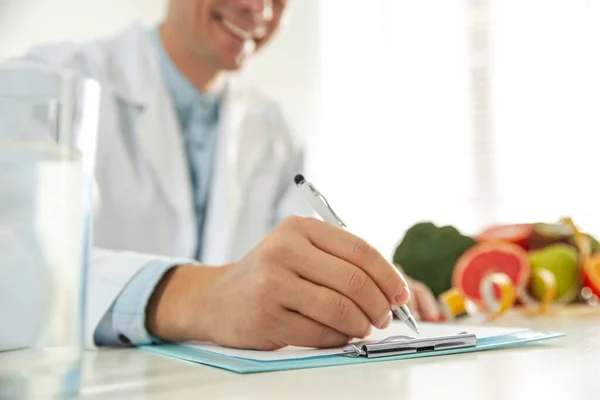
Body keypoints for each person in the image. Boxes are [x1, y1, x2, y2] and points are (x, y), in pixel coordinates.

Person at [18, 0, 442, 350]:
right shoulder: (46, 84)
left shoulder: (271, 128)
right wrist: (200, 298)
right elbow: (15, 268)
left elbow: (305, 246)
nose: (258, 8)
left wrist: (361, 284)